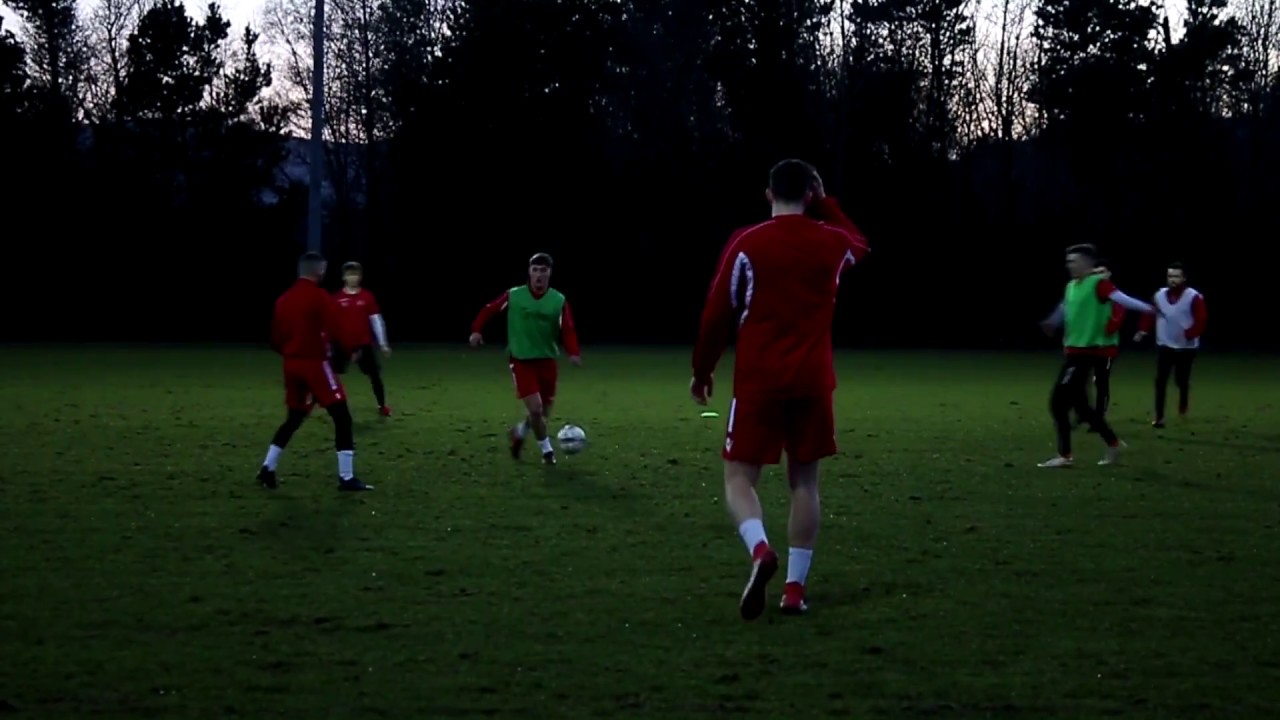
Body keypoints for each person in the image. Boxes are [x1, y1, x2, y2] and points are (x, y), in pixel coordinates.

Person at [690, 159, 869, 620]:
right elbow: (860, 244)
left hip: (759, 382)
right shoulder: (831, 242)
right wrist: (827, 204)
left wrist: (702, 371)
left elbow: (716, 313)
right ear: (810, 194)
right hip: (812, 382)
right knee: (804, 483)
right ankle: (794, 589)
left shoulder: (747, 242)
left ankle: (760, 550)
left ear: (768, 194)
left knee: (738, 478)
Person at [257, 251, 373, 492]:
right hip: (315, 364)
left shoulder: (283, 300)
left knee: (295, 416)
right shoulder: (320, 297)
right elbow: (336, 328)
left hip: (291, 364)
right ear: (320, 270)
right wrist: (351, 349)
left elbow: (275, 338)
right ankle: (346, 477)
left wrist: (291, 353)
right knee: (342, 416)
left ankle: (268, 467)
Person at [1038, 244, 1158, 468]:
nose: (1069, 265)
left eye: (1073, 261)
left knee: (1058, 403)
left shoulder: (1099, 283)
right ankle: (1113, 444)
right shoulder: (1071, 286)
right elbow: (1066, 308)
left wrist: (1149, 309)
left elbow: (1122, 299)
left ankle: (1065, 455)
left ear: (1086, 263)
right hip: (1072, 352)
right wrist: (1052, 321)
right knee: (1082, 407)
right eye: (1068, 261)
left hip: (1086, 354)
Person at [470, 253, 582, 465]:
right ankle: (547, 452)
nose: (539, 275)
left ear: (550, 273)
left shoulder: (558, 300)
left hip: (547, 361)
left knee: (542, 413)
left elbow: (567, 329)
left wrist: (573, 352)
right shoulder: (514, 295)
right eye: (535, 270)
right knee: (536, 409)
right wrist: (476, 330)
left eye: (543, 271)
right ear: (529, 272)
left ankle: (519, 432)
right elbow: (489, 310)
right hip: (521, 361)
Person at [1134, 261, 1208, 428]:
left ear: (1184, 278)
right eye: (1170, 276)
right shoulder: (1159, 295)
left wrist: (1190, 334)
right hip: (1165, 344)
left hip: (1186, 347)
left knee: (1181, 380)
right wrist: (1143, 330)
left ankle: (1183, 403)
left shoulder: (1194, 296)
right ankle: (1159, 417)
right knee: (1160, 381)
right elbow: (1150, 313)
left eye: (1176, 276)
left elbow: (1201, 319)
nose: (1172, 279)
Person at [332, 262, 393, 416]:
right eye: (350, 274)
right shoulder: (337, 298)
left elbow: (376, 320)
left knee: (375, 375)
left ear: (360, 276)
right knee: (330, 375)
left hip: (363, 344)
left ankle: (382, 405)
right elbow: (330, 323)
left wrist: (383, 343)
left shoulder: (367, 296)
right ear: (344, 277)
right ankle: (325, 402)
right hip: (342, 345)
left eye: (356, 274)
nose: (353, 278)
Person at [1073, 262, 1126, 430]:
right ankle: (1083, 413)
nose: (1099, 276)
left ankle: (1099, 417)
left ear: (1109, 274)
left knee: (1101, 382)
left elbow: (1116, 319)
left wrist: (1102, 328)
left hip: (1106, 347)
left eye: (1102, 272)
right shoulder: (1088, 294)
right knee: (1080, 380)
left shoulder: (1114, 295)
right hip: (1087, 346)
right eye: (1095, 273)